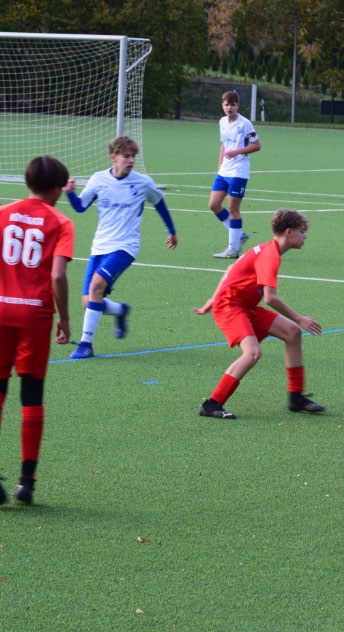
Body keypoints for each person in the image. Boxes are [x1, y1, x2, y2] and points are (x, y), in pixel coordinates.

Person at [194, 208, 324, 419]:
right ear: (289, 232)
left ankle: (296, 397)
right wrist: (300, 318)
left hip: (244, 306)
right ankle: (211, 404)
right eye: (302, 231)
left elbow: (231, 269)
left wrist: (213, 297)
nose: (305, 236)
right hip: (230, 307)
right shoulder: (270, 256)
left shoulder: (267, 249)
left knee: (292, 333)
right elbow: (270, 298)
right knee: (252, 353)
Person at [0, 156, 75, 505]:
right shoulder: (60, 222)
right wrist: (65, 318)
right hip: (34, 315)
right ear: (57, 189)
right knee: (31, 396)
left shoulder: (3, 213)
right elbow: (57, 274)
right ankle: (26, 482)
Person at [64, 136, 177, 360]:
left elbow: (159, 203)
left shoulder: (143, 182)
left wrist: (172, 231)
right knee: (89, 301)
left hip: (126, 247)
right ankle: (120, 310)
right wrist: (69, 192)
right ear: (113, 157)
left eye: (133, 156)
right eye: (126, 156)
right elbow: (80, 206)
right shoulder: (98, 179)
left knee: (96, 286)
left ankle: (86, 344)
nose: (131, 160)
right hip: (100, 246)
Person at [209, 90, 261, 259]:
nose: (229, 108)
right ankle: (239, 235)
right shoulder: (222, 122)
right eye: (226, 105)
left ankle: (233, 249)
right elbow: (224, 145)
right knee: (214, 204)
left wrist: (237, 151)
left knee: (233, 208)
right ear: (222, 105)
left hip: (239, 171)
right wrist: (219, 167)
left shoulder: (245, 124)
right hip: (224, 171)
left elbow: (256, 145)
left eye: (232, 104)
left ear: (238, 105)